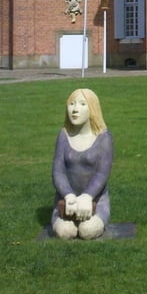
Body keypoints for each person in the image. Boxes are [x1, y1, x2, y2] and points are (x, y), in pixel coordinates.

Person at [52, 88, 114, 239]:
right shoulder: (64, 135)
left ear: (92, 108)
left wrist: (87, 196)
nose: (75, 109)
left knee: (88, 231)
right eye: (71, 104)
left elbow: (102, 173)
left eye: (82, 104)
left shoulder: (103, 137)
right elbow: (58, 171)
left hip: (96, 202)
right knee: (65, 232)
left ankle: (95, 219)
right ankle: (63, 219)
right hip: (66, 203)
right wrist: (68, 195)